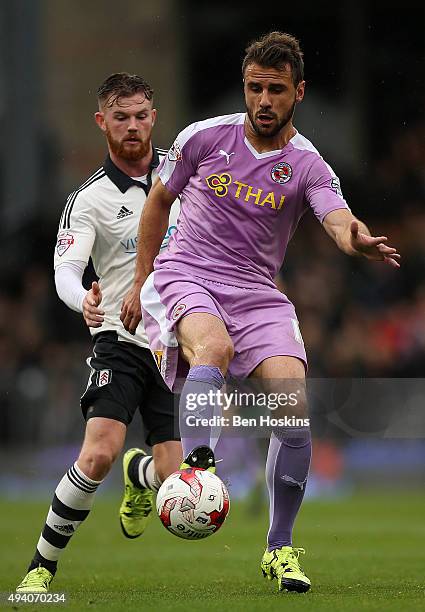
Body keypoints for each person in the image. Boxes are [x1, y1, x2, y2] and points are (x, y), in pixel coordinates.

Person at [121, 32, 400, 594]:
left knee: (293, 403)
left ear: (299, 92)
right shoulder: (205, 137)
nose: (263, 100)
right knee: (214, 350)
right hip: (188, 271)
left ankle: (279, 549)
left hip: (256, 291)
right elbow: (158, 200)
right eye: (255, 88)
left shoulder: (306, 164)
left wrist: (357, 239)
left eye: (276, 89)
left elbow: (336, 217)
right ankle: (199, 469)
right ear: (245, 89)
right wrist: (140, 279)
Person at [16, 73, 182, 593]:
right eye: (120, 117)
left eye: (140, 116)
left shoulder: (185, 177)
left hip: (180, 339)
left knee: (179, 484)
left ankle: (142, 477)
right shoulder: (88, 198)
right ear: (101, 123)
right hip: (121, 337)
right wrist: (82, 298)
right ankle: (41, 568)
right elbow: (66, 269)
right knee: (98, 453)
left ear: (154, 117)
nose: (132, 127)